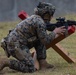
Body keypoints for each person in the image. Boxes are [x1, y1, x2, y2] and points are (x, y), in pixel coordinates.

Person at [0, 2, 66, 73]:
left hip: (18, 42)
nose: (52, 17)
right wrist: (55, 32)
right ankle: (6, 62)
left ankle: (43, 63)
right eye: (51, 14)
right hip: (15, 45)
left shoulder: (36, 18)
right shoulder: (40, 22)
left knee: (39, 39)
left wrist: (56, 27)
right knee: (30, 68)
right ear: (46, 14)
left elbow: (42, 36)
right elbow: (46, 40)